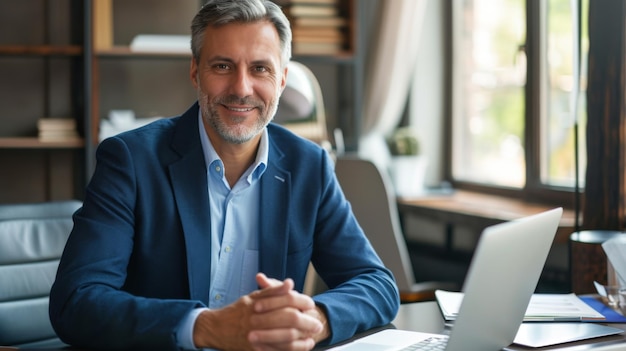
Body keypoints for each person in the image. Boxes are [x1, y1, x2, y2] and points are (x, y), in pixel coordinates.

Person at [49, 0, 399, 350]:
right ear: (195, 71)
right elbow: (76, 302)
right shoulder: (131, 161)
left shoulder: (310, 166)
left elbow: (376, 284)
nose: (242, 88)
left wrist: (315, 320)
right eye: (222, 65)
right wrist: (204, 327)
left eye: (260, 68)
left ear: (282, 80)